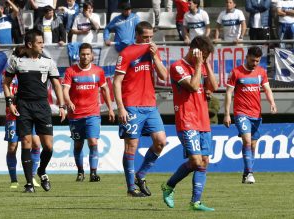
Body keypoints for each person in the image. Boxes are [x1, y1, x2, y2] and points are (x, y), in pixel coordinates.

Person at [3, 29, 66, 193]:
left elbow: (57, 85)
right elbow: (6, 83)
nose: (42, 45)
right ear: (29, 44)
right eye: (39, 42)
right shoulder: (16, 60)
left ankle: (42, 171)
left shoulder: (48, 61)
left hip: (42, 107)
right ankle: (29, 183)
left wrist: (61, 105)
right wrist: (10, 103)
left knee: (48, 147)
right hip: (23, 106)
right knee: (26, 143)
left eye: (42, 42)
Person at [161, 36, 217, 211]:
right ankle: (169, 186)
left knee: (203, 161)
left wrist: (205, 64)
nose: (205, 58)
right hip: (187, 120)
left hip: (203, 121)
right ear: (194, 50)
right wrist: (200, 65)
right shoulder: (177, 66)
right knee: (195, 160)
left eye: (207, 56)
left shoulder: (201, 65)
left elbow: (213, 86)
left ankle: (195, 202)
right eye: (204, 55)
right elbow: (193, 86)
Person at [113, 21, 168, 197]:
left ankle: (141, 174)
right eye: (145, 37)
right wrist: (120, 107)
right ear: (136, 35)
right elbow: (116, 81)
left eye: (151, 37)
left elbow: (164, 75)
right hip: (131, 106)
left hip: (150, 105)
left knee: (160, 141)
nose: (149, 40)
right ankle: (131, 188)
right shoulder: (126, 53)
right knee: (131, 147)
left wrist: (155, 57)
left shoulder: (152, 51)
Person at [223, 46, 277, 184]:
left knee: (252, 145)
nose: (255, 64)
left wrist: (272, 102)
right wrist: (227, 114)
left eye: (257, 61)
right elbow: (229, 93)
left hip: (256, 114)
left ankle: (246, 172)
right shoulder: (236, 72)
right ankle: (251, 173)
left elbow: (267, 89)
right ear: (247, 57)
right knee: (246, 141)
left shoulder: (261, 72)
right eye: (253, 60)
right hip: (241, 113)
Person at [62, 43, 115, 182]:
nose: (85, 57)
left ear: (92, 56)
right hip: (75, 115)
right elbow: (65, 90)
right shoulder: (70, 71)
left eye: (87, 54)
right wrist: (69, 102)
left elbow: (105, 90)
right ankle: (80, 172)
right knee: (78, 144)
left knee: (93, 141)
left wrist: (110, 108)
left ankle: (93, 173)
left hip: (93, 114)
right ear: (78, 55)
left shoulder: (98, 71)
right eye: (82, 54)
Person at [5, 45, 41, 189]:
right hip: (13, 114)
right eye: (19, 56)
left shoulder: (31, 70)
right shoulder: (9, 72)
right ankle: (14, 180)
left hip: (30, 113)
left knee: (36, 144)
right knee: (13, 147)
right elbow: (6, 90)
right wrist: (13, 101)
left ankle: (32, 176)